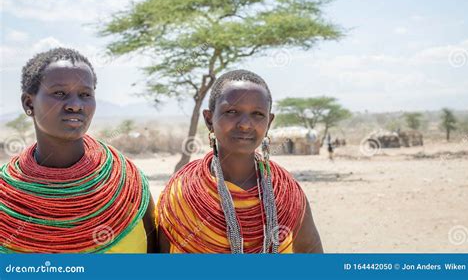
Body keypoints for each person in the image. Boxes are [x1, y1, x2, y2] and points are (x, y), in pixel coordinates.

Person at [0, 48, 156, 253]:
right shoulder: (6, 198)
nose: (75, 105)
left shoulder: (128, 183)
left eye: (85, 94)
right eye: (59, 93)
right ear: (29, 103)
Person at [156, 70, 323, 253]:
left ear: (269, 122)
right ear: (209, 119)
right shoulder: (180, 193)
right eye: (232, 111)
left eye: (258, 114)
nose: (245, 124)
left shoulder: (288, 194)